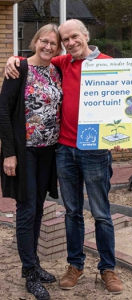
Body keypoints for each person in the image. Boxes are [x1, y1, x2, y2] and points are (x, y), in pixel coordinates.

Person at [5, 19, 123, 294]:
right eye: (65, 39)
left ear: (85, 35)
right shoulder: (62, 63)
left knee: (102, 214)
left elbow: (123, 101)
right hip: (64, 150)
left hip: (94, 152)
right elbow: (36, 58)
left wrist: (123, 135)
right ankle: (75, 265)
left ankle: (108, 269)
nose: (70, 43)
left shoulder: (108, 63)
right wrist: (13, 59)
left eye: (73, 37)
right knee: (72, 212)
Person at [0, 24, 63, 300]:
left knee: (38, 208)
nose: (48, 46)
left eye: (54, 44)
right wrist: (8, 153)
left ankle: (34, 263)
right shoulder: (19, 69)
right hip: (24, 152)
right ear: (35, 41)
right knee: (26, 210)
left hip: (47, 151)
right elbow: (3, 111)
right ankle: (29, 273)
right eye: (44, 41)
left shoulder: (56, 70)